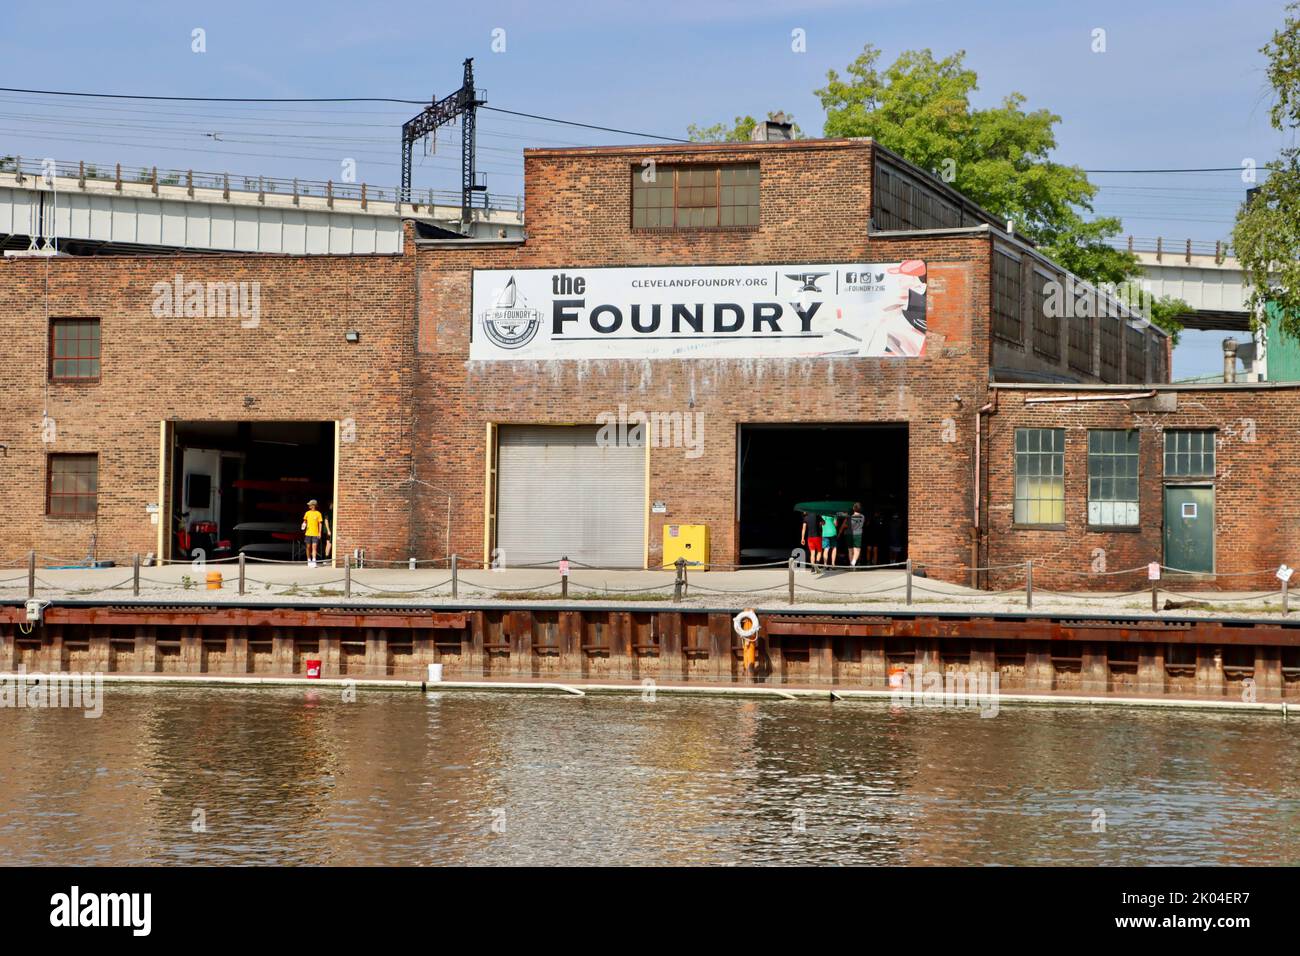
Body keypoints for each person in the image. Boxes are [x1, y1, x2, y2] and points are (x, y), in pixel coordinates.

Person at [302, 498, 330, 568]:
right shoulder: (307, 513)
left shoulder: (318, 513)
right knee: (308, 547)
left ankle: (314, 561)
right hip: (308, 533)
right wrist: (303, 526)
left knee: (314, 547)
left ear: (313, 505)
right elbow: (304, 521)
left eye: (310, 505)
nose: (309, 506)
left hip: (315, 533)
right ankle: (309, 560)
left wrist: (319, 533)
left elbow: (320, 524)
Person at [848, 503, 865, 567]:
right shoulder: (863, 516)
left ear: (853, 508)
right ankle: (853, 562)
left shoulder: (850, 517)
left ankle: (851, 564)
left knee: (850, 550)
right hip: (858, 534)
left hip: (850, 534)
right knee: (857, 549)